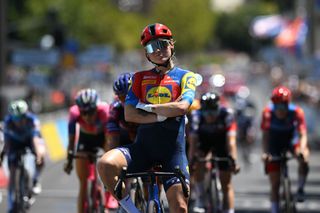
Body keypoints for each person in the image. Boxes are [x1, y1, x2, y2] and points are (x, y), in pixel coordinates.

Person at [97, 23, 197, 213]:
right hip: (142, 149)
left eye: (163, 44)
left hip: (172, 154)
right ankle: (131, 210)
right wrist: (162, 116)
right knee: (105, 163)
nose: (159, 50)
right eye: (152, 47)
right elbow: (130, 114)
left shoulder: (186, 76)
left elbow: (182, 107)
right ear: (146, 54)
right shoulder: (139, 78)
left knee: (180, 208)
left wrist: (147, 108)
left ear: (172, 45)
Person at [63, 88, 118, 213]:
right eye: (84, 112)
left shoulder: (105, 110)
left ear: (96, 108)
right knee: (83, 183)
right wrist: (69, 160)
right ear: (79, 110)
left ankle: (110, 195)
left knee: (110, 160)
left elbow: (111, 137)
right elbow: (71, 141)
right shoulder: (74, 113)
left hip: (102, 137)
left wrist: (111, 154)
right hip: (85, 140)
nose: (87, 116)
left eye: (91, 112)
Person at [188, 92, 240, 213]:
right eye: (206, 112)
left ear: (218, 108)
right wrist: (191, 161)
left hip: (222, 142)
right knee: (198, 160)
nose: (210, 116)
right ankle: (201, 198)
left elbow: (231, 142)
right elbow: (193, 141)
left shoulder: (227, 114)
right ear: (202, 110)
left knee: (226, 183)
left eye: (213, 111)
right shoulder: (196, 115)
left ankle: (229, 210)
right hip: (204, 141)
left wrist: (233, 161)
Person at [261, 86, 310, 213]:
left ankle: (300, 189)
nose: (280, 110)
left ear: (288, 104)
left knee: (304, 157)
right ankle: (274, 210)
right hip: (274, 143)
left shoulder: (297, 112)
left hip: (291, 140)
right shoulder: (267, 112)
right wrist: (265, 153)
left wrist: (302, 149)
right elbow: (265, 136)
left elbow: (302, 134)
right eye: (276, 106)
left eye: (283, 106)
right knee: (275, 184)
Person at [0, 99, 46, 213]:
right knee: (12, 171)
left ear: (26, 114)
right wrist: (3, 155)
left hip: (29, 141)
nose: (18, 122)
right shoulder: (7, 122)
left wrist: (38, 155)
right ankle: (11, 205)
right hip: (14, 143)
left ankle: (35, 180)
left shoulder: (32, 120)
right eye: (15, 119)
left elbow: (35, 139)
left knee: (41, 155)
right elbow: (6, 143)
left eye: (21, 118)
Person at [107, 72, 138, 149]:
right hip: (124, 142)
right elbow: (113, 139)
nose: (127, 101)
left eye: (131, 96)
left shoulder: (147, 102)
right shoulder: (115, 108)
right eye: (123, 97)